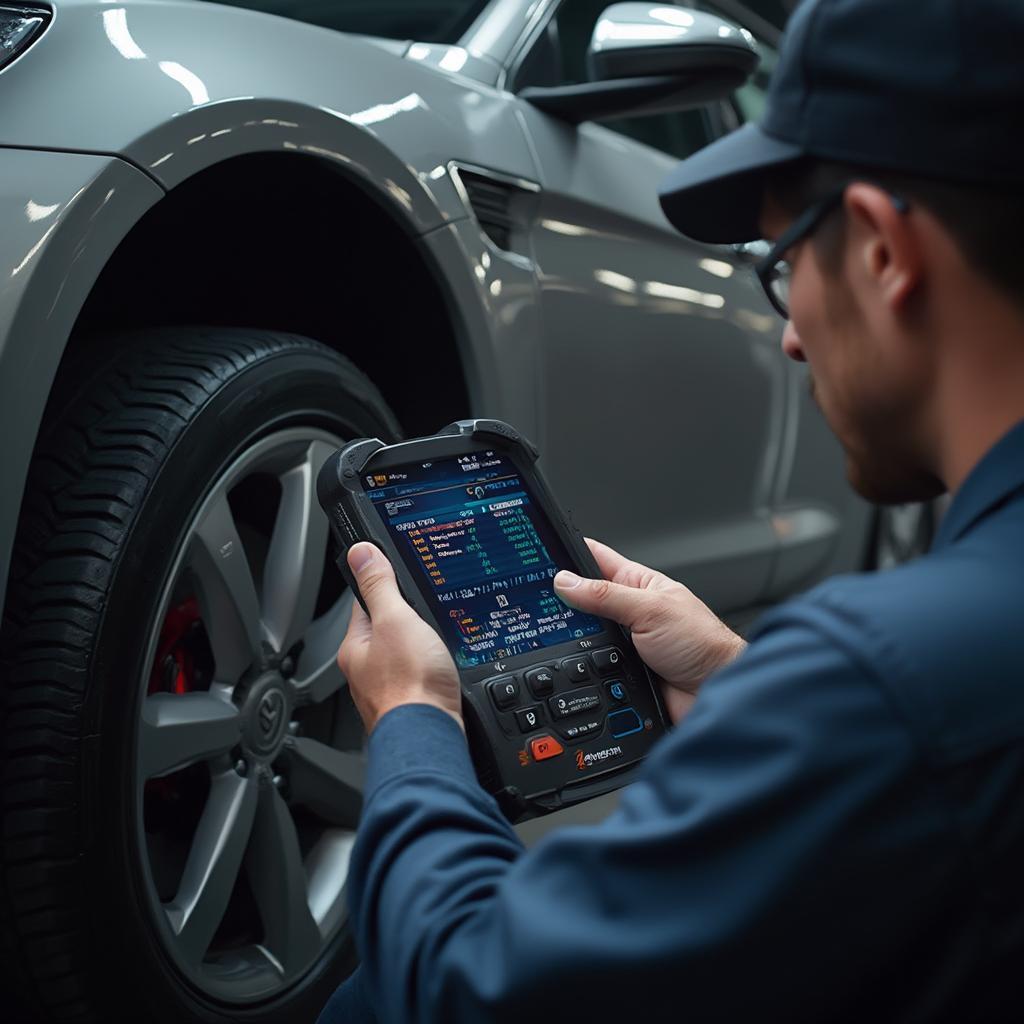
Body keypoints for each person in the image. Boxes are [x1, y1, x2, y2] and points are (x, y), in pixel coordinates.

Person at [318, 0, 1024, 1020]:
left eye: (780, 268)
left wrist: (412, 723)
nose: (789, 338)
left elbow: (465, 990)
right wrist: (748, 691)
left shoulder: (884, 681)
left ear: (878, 250)